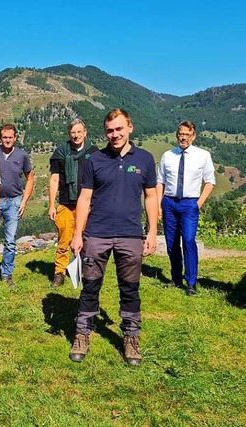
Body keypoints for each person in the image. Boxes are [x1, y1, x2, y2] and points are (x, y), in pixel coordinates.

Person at [69, 108, 158, 366]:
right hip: (97, 234)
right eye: (110, 130)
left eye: (119, 129)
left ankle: (131, 337)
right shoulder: (95, 159)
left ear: (130, 127)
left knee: (130, 289)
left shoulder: (145, 159)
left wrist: (152, 231)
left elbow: (151, 196)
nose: (115, 134)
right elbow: (84, 198)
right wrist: (77, 234)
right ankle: (82, 333)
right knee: (90, 286)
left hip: (131, 235)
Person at [156, 121, 215, 296]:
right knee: (171, 243)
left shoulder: (203, 155)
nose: (183, 137)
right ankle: (176, 278)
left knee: (189, 241)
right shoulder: (168, 155)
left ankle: (191, 282)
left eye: (187, 135)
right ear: (177, 135)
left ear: (193, 136)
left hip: (190, 203)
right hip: (169, 202)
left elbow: (210, 181)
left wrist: (199, 203)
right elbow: (160, 181)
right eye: (181, 134)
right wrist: (159, 204)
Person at [48, 119, 99, 287]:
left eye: (79, 132)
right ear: (69, 134)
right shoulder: (60, 153)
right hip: (65, 203)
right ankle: (59, 272)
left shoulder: (94, 152)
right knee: (63, 239)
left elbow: (99, 180)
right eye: (73, 133)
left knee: (85, 239)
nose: (76, 135)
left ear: (85, 133)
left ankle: (84, 271)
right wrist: (51, 204)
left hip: (86, 205)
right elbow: (54, 179)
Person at [0, 124, 34, 287]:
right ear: (0, 138)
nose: (7, 140)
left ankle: (6, 274)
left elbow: (30, 178)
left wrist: (24, 201)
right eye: (4, 137)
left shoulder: (22, 155)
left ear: (15, 137)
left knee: (10, 240)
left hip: (14, 201)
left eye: (10, 137)